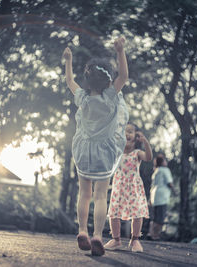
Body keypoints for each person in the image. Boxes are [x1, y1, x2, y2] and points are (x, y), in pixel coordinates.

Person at [62, 36, 129, 256]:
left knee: (84, 194)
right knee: (101, 195)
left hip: (84, 151)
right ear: (107, 81)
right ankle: (98, 235)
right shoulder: (110, 97)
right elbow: (124, 76)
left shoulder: (82, 97)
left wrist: (68, 60)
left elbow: (69, 81)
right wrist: (120, 51)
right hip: (104, 153)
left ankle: (82, 230)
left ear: (88, 82)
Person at [104, 122, 152, 253]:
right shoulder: (117, 152)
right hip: (119, 186)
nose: (127, 134)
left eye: (130, 131)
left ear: (136, 137)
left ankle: (135, 239)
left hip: (133, 187)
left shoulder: (137, 153)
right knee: (114, 212)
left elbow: (148, 157)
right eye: (124, 131)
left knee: (137, 213)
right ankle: (116, 240)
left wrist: (146, 142)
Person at [148, 153, 174, 241]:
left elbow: (152, 186)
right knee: (161, 218)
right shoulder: (165, 170)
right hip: (162, 197)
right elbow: (169, 183)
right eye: (165, 160)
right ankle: (155, 235)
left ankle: (151, 233)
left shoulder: (156, 171)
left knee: (155, 217)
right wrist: (175, 191)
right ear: (162, 162)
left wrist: (150, 199)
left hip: (154, 196)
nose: (166, 162)